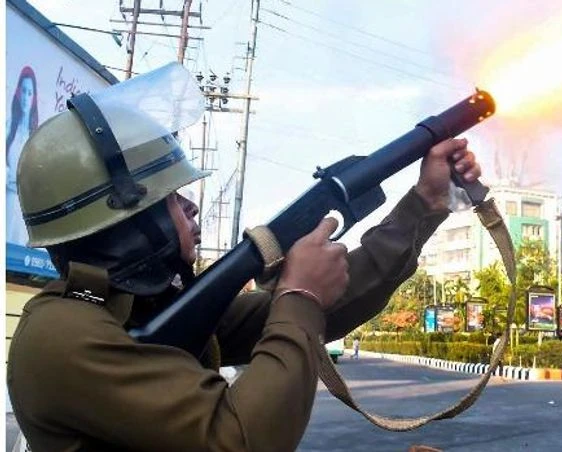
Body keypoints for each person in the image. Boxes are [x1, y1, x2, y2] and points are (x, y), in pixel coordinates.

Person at [7, 69, 482, 451]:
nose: (190, 206)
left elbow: (331, 304)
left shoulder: (134, 309)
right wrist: (298, 295)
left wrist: (425, 201)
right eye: (170, 199)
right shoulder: (64, 336)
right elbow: (242, 438)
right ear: (127, 225)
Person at [5, 66, 39, 245]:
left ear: (34, 97)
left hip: (25, 211)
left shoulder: (37, 137)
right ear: (18, 93)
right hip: (7, 202)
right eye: (23, 91)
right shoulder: (8, 128)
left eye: (30, 93)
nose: (26, 97)